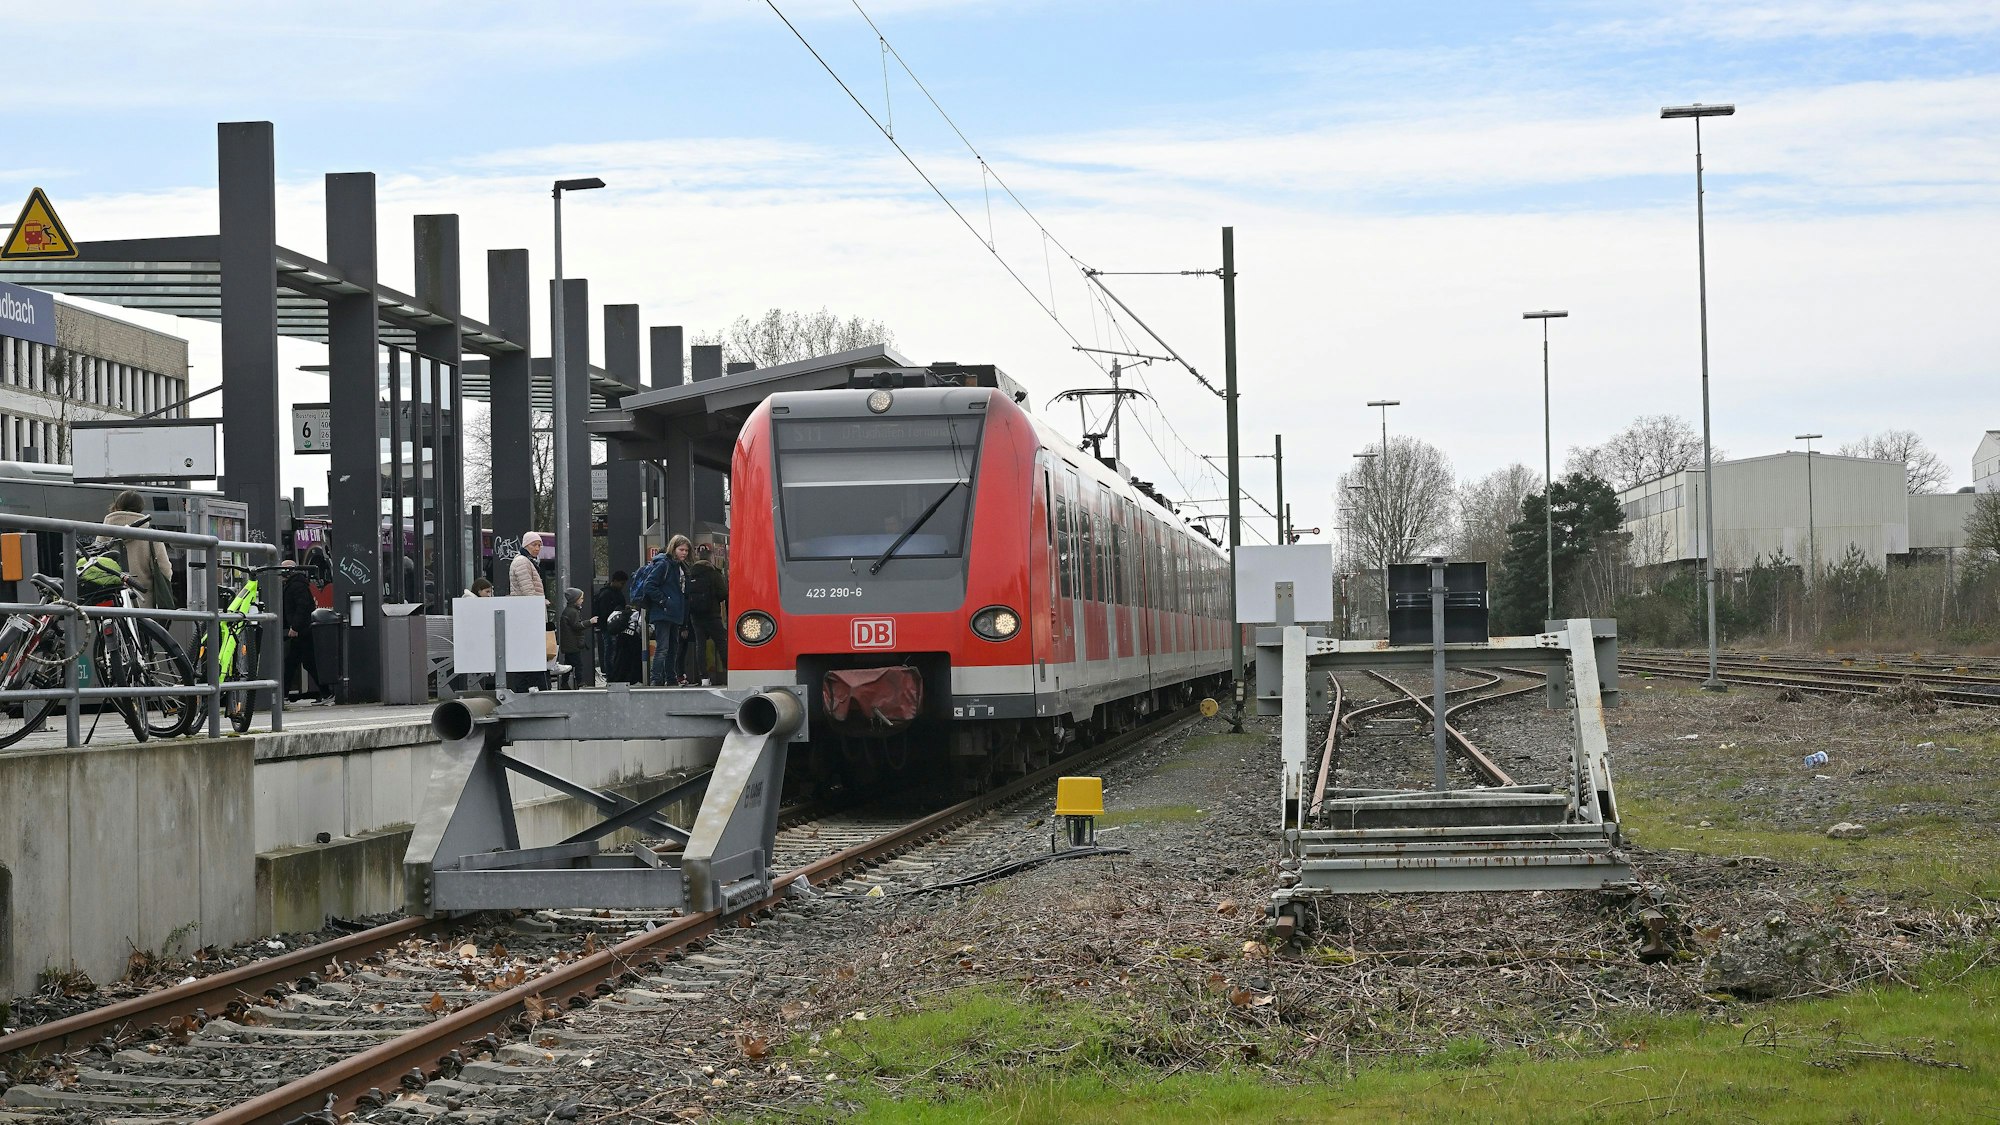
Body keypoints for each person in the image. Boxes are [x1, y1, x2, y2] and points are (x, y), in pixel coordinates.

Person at [633, 535, 690, 686]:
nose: (684, 553)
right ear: (674, 548)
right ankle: (656, 678)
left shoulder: (678, 566)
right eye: (681, 549)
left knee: (672, 648)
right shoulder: (664, 565)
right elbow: (649, 585)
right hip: (664, 612)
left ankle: (670, 677)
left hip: (672, 612)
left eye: (686, 550)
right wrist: (664, 601)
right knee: (664, 647)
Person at [101, 490, 173, 609]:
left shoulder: (101, 532)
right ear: (140, 508)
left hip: (111, 600)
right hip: (143, 601)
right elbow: (164, 570)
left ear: (117, 505)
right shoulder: (151, 536)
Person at [281, 557, 332, 703]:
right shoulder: (297, 584)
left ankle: (326, 692)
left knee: (296, 662)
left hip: (302, 631)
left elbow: (302, 607)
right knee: (300, 662)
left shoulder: (296, 585)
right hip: (303, 630)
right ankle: (326, 692)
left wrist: (295, 627)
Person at [505, 533, 548, 691]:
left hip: (526, 614)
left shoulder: (525, 561)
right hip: (527, 616)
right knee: (530, 655)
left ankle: (527, 687)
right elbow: (528, 589)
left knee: (526, 656)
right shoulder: (523, 562)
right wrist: (537, 605)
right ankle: (533, 688)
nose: (537, 548)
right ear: (525, 545)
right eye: (534, 545)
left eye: (539, 545)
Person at [684, 543, 730, 685]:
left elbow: (685, 594)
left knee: (700, 645)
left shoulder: (690, 572)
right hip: (712, 614)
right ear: (710, 558)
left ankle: (704, 677)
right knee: (721, 643)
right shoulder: (713, 573)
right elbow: (723, 593)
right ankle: (730, 673)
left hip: (695, 616)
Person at [556, 587, 593, 690]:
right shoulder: (572, 612)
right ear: (575, 599)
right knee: (578, 665)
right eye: (581, 598)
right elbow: (576, 626)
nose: (582, 600)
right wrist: (589, 622)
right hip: (573, 644)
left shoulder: (569, 611)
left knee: (568, 665)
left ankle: (564, 683)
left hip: (569, 644)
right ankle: (580, 683)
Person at [593, 571, 629, 678]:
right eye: (622, 583)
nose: (623, 586)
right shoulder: (608, 594)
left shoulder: (608, 593)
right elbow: (605, 613)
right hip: (610, 627)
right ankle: (611, 674)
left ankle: (612, 674)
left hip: (610, 627)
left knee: (610, 650)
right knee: (611, 650)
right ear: (615, 581)